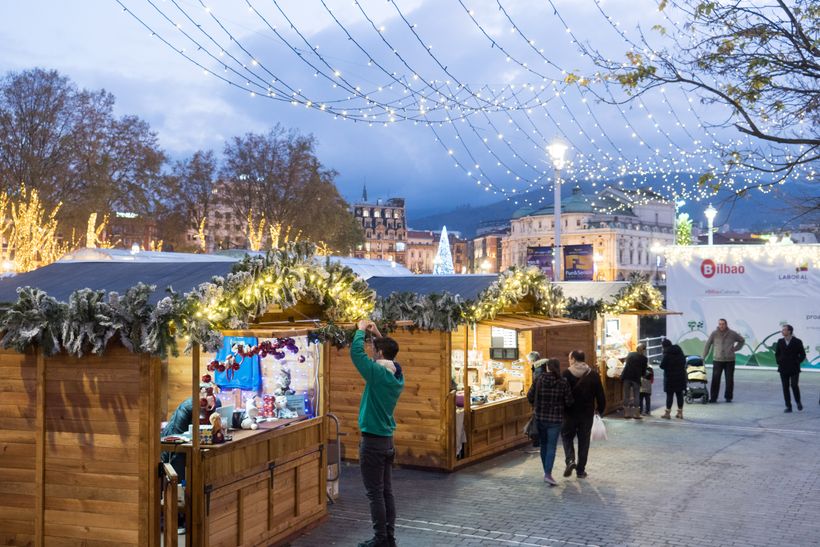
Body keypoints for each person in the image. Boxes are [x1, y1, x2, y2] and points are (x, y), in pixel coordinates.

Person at [350, 320, 404, 547]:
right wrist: (377, 335)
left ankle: (380, 540)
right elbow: (388, 357)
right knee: (386, 493)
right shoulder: (396, 375)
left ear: (379, 354)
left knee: (375, 494)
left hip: (372, 442)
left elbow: (356, 355)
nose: (373, 354)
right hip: (387, 442)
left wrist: (361, 330)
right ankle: (388, 537)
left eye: (375, 351)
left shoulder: (376, 374)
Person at [527, 358, 573, 486]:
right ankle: (548, 473)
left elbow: (529, 396)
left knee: (544, 445)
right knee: (551, 446)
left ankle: (546, 472)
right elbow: (569, 401)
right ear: (558, 367)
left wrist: (536, 405)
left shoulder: (539, 379)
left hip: (540, 417)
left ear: (547, 367)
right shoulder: (563, 382)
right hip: (556, 419)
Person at [561, 350, 606, 479]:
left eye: (570, 358)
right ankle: (580, 471)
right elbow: (600, 395)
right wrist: (600, 409)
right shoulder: (593, 375)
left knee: (566, 436)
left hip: (570, 413)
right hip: (586, 414)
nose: (569, 361)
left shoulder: (566, 374)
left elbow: (562, 394)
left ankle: (570, 460)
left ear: (574, 359)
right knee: (584, 441)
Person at [702, 318, 745, 403]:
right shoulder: (714, 334)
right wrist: (703, 356)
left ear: (726, 324)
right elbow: (707, 345)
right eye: (720, 324)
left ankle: (728, 397)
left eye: (723, 324)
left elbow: (742, 340)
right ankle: (713, 398)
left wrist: (736, 348)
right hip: (717, 360)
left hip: (730, 360)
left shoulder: (732, 333)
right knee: (715, 379)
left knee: (729, 379)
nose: (721, 325)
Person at [775, 324, 806, 413]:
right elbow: (777, 353)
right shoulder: (780, 341)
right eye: (782, 330)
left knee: (794, 385)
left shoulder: (797, 341)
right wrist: (779, 361)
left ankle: (798, 401)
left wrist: (797, 362)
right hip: (783, 368)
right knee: (785, 387)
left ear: (789, 331)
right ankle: (788, 406)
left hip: (794, 368)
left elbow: (803, 354)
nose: (782, 331)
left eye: (784, 330)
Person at [659, 339, 687, 419]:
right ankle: (680, 413)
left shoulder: (667, 354)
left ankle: (667, 413)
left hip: (670, 377)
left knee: (670, 395)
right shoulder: (679, 351)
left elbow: (662, 366)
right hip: (680, 376)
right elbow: (684, 361)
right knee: (679, 394)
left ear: (664, 346)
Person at [621, 343, 648, 419]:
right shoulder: (644, 359)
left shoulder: (630, 354)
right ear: (643, 350)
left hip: (626, 376)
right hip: (636, 378)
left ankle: (626, 413)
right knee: (636, 395)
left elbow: (626, 363)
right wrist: (643, 374)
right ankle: (636, 414)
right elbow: (644, 371)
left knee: (626, 395)